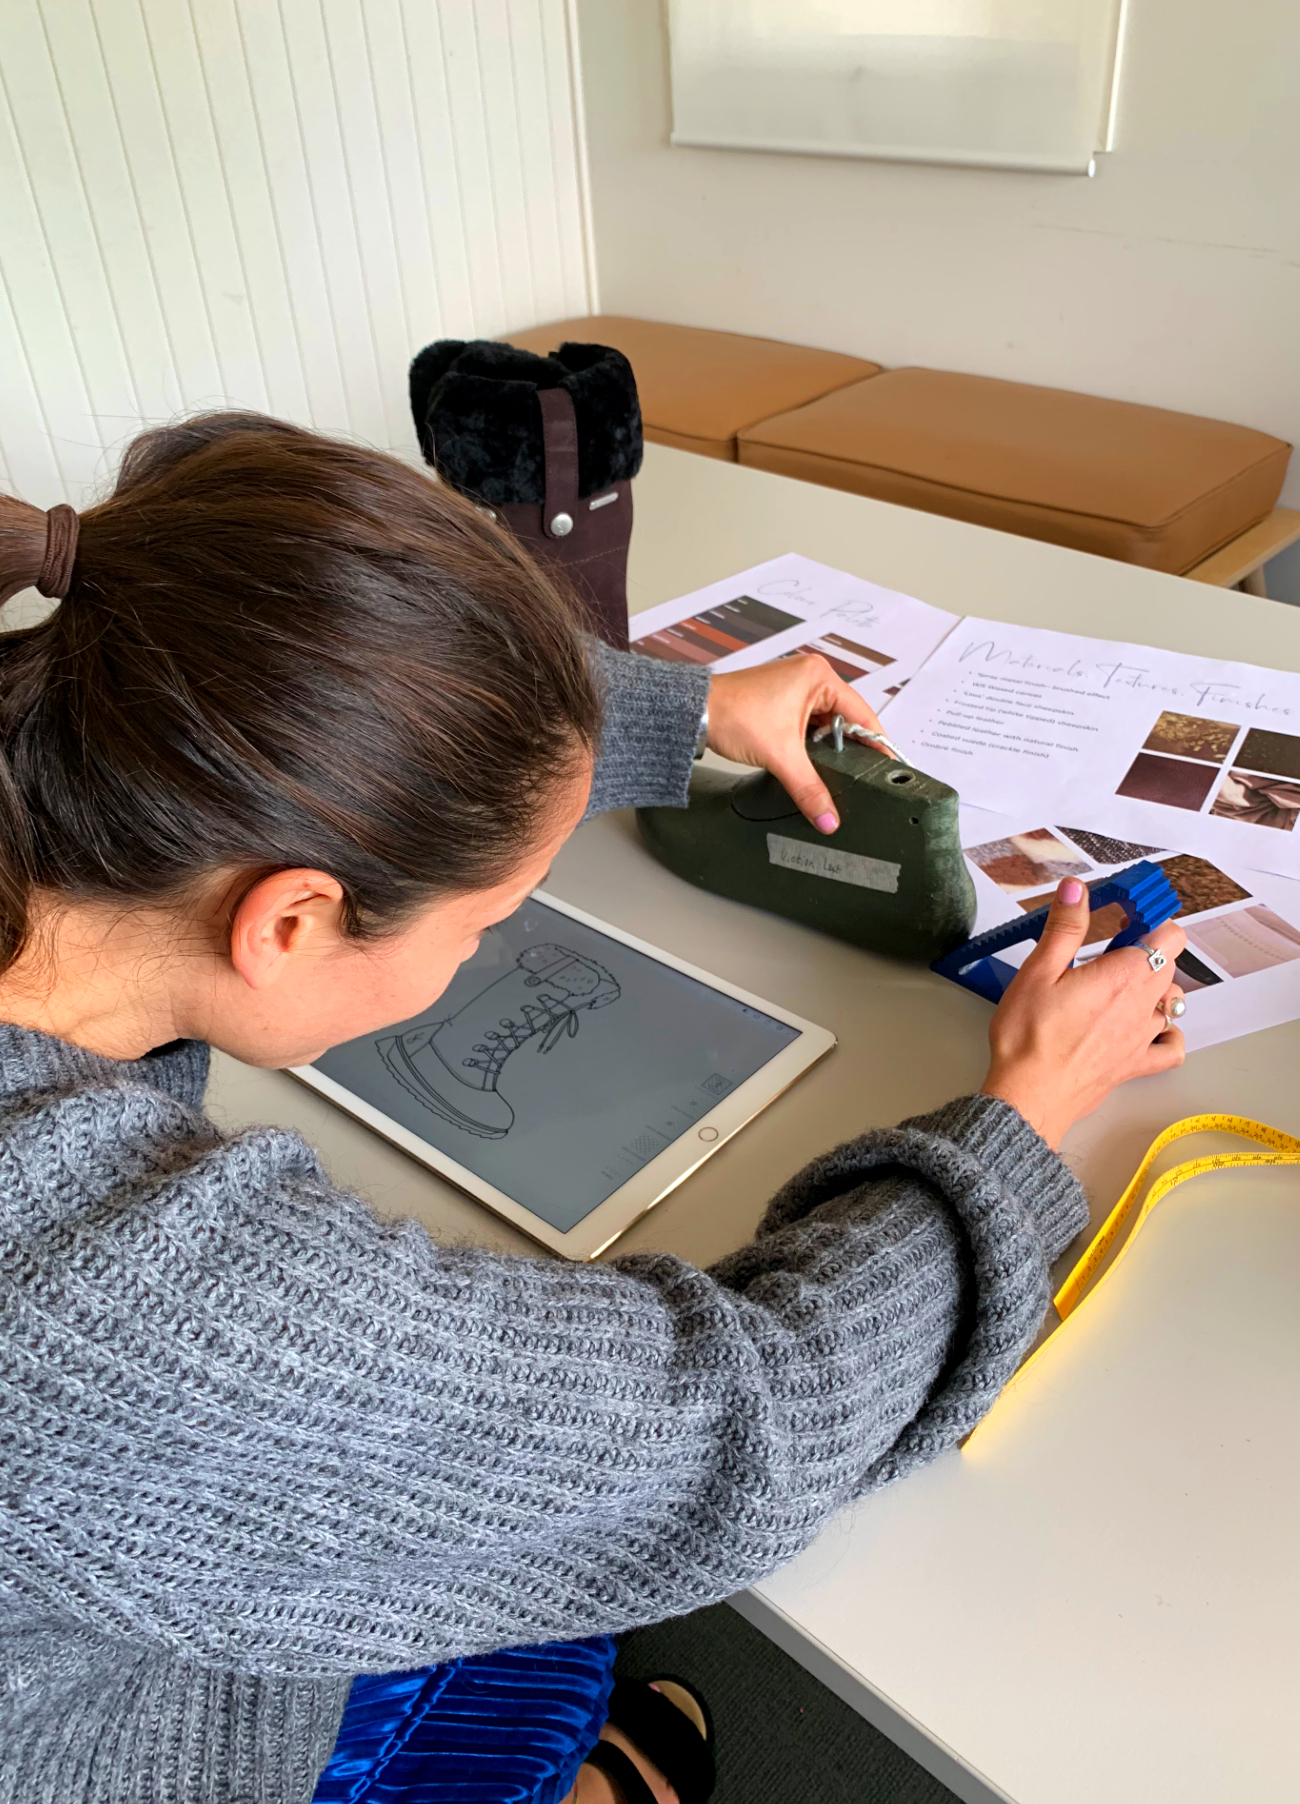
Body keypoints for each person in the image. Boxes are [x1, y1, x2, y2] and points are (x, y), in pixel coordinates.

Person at [0, 413, 1186, 1804]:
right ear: (294, 920)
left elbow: (297, 699)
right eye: (487, 921)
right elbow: (751, 1418)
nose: (488, 952)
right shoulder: (121, 1310)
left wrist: (682, 720)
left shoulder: (61, 737)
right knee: (570, 1652)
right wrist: (1025, 1115)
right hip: (114, 1738)